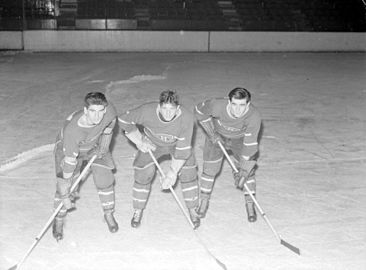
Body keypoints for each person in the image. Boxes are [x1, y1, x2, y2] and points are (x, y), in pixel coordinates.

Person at [118, 90, 200, 229]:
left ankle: (192, 209)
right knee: (143, 174)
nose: (168, 113)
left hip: (176, 145)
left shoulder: (187, 118)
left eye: (172, 109)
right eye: (164, 108)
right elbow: (123, 120)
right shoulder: (147, 110)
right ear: (158, 106)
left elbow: (182, 150)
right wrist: (139, 140)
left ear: (178, 108)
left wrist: (172, 173)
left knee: (188, 172)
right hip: (152, 143)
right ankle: (138, 210)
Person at [52, 92, 118, 241]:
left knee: (105, 178)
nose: (97, 116)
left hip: (93, 146)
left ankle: (108, 213)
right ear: (86, 110)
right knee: (67, 187)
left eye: (101, 111)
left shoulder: (109, 112)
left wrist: (104, 143)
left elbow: (110, 123)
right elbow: (70, 161)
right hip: (68, 151)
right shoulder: (72, 131)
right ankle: (59, 219)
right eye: (93, 111)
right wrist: (66, 185)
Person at [194, 87, 262, 222]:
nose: (237, 109)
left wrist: (244, 168)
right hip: (217, 137)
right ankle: (203, 202)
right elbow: (199, 111)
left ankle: (250, 204)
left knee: (247, 172)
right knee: (209, 170)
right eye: (234, 104)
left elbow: (250, 145)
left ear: (248, 104)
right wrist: (211, 133)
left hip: (240, 140)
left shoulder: (254, 116)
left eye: (242, 105)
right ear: (229, 102)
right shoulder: (216, 105)